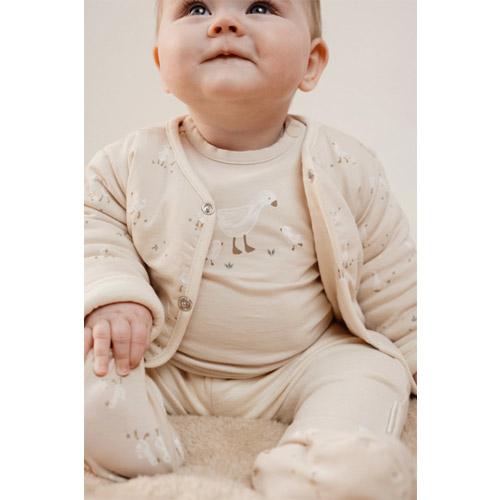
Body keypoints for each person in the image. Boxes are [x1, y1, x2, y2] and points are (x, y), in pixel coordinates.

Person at [84, 1, 417, 498]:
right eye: (196, 8)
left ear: (310, 63)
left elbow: (391, 275)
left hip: (299, 364)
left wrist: (418, 352)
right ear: (161, 63)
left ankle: (323, 462)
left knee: (375, 369)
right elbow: (91, 226)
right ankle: (132, 438)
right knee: (89, 353)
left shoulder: (346, 164)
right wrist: (114, 295)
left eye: (260, 6)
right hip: (162, 359)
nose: (225, 23)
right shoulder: (128, 162)